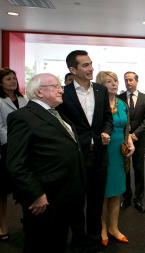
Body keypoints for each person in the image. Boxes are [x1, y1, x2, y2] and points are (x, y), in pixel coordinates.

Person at [6, 73, 85, 253]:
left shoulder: (56, 113)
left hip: (65, 193)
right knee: (41, 243)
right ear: (39, 92)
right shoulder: (23, 117)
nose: (61, 90)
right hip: (46, 197)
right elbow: (16, 164)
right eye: (56, 86)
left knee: (57, 241)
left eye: (60, 86)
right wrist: (35, 194)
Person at [57, 50, 113, 253]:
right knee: (76, 205)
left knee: (96, 205)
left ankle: (94, 243)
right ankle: (79, 244)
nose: (91, 69)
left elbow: (107, 117)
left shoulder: (100, 90)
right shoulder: (64, 93)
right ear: (72, 69)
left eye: (90, 64)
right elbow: (61, 124)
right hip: (76, 158)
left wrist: (106, 132)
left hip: (99, 155)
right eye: (85, 65)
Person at [96, 71, 135, 246]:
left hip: (120, 153)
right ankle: (102, 229)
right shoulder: (98, 104)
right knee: (103, 192)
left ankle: (114, 228)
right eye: (109, 81)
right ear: (101, 85)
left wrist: (131, 145)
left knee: (117, 191)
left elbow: (127, 127)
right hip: (104, 151)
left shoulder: (122, 104)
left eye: (115, 81)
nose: (114, 84)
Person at [117, 71, 145, 213]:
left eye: (131, 80)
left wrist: (135, 134)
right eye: (126, 80)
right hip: (123, 140)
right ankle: (126, 198)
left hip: (139, 139)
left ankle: (138, 199)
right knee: (125, 169)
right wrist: (127, 135)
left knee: (138, 168)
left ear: (137, 81)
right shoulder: (119, 99)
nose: (128, 82)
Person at [0, 68, 28, 241]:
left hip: (25, 147)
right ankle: (2, 225)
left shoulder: (23, 99)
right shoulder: (0, 101)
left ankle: (28, 220)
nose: (12, 81)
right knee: (2, 190)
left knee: (25, 187)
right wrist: (10, 144)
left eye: (14, 78)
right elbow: (0, 127)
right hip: (7, 148)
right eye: (8, 79)